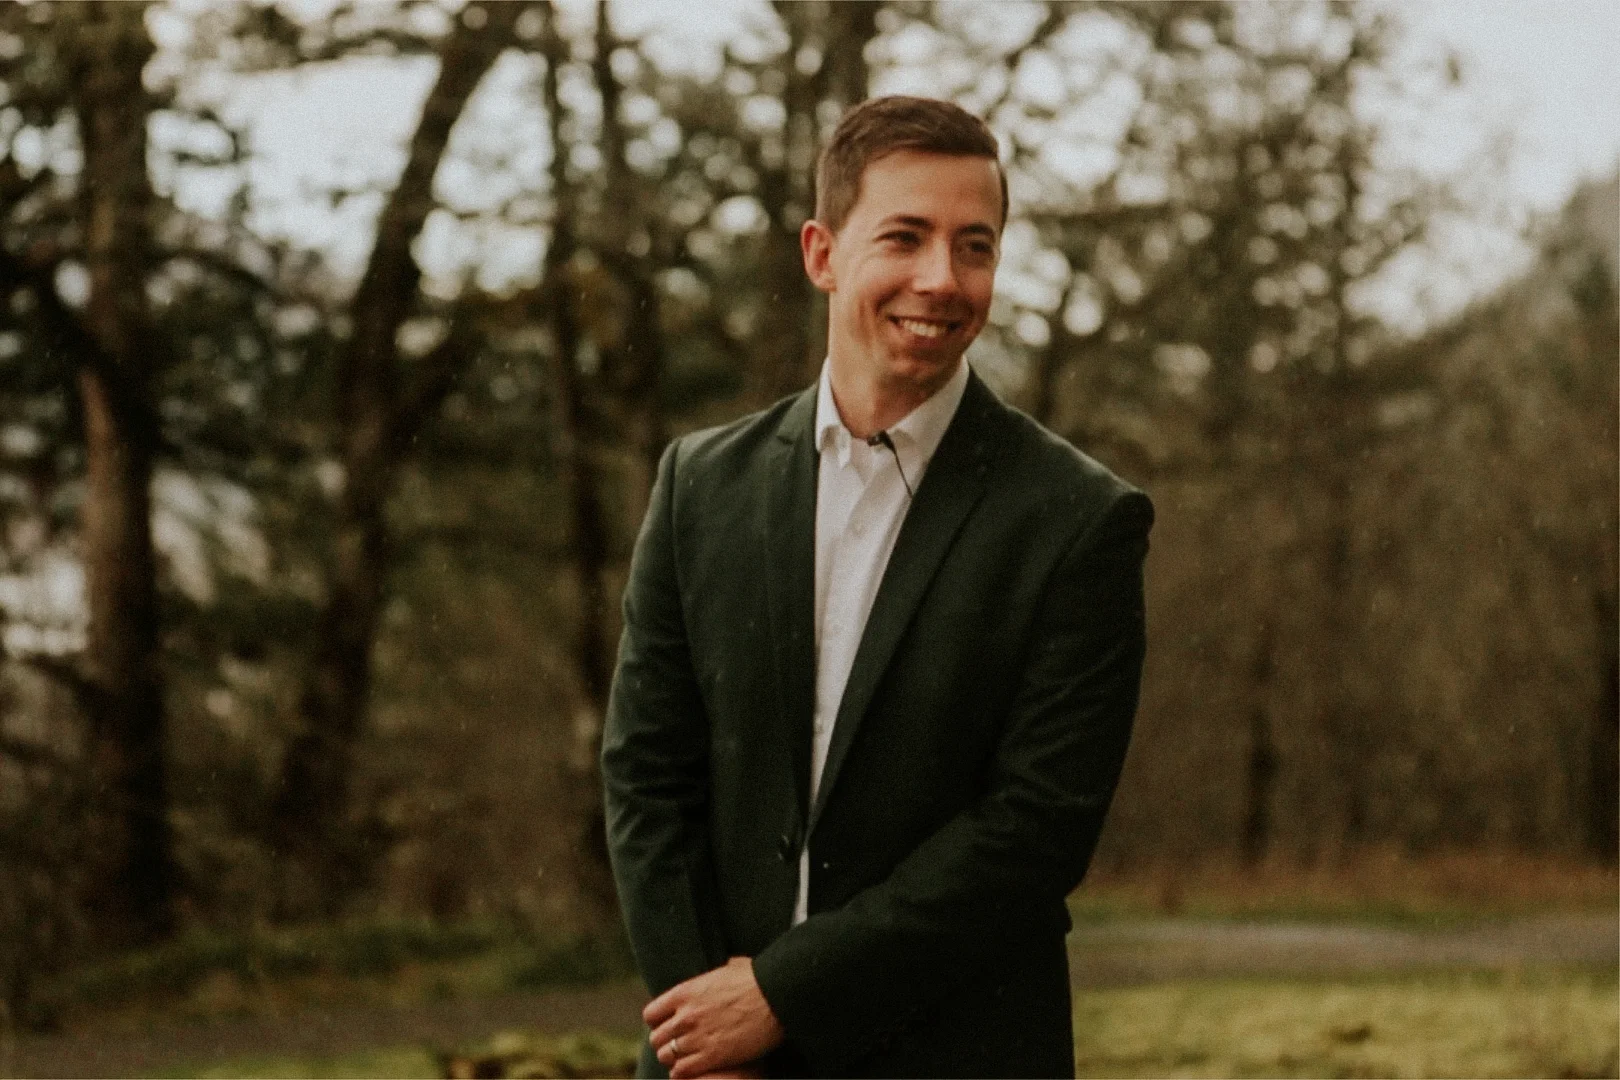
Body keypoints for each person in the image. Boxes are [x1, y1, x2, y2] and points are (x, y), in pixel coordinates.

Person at [602, 95, 1153, 1079]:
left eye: (974, 246)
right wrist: (705, 1035)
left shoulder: (1079, 521)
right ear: (821, 254)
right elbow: (647, 777)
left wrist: (782, 996)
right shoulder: (700, 485)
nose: (942, 280)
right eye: (905, 237)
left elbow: (1032, 834)